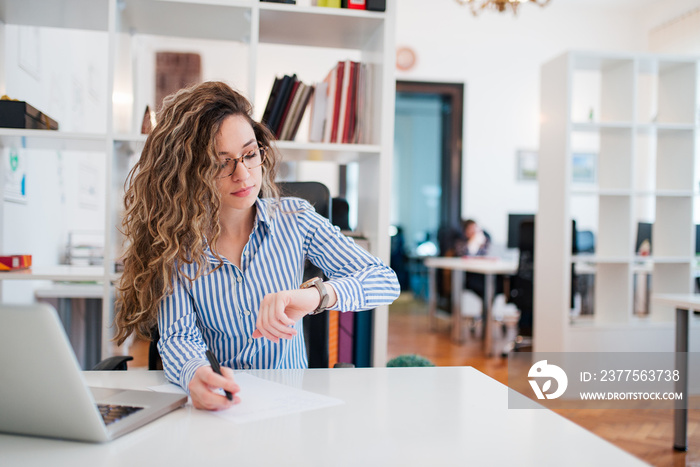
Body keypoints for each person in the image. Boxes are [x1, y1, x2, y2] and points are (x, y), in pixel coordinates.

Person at [114, 81, 400, 411]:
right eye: (221, 162)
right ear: (190, 172)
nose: (244, 174)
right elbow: (179, 336)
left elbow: (384, 280)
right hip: (223, 407)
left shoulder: (296, 219)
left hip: (289, 406)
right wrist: (195, 375)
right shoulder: (176, 246)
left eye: (250, 154)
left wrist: (315, 295)